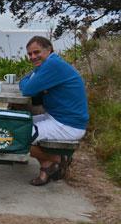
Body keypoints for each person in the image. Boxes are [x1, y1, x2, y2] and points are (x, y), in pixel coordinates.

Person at [19, 36, 89, 186]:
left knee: (17, 135)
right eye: (30, 54)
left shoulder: (53, 65)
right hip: (58, 119)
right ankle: (47, 167)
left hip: (67, 125)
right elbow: (28, 81)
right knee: (16, 122)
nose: (33, 57)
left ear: (49, 49)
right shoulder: (49, 64)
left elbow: (26, 88)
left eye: (36, 52)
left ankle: (57, 159)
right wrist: (29, 80)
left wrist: (27, 80)